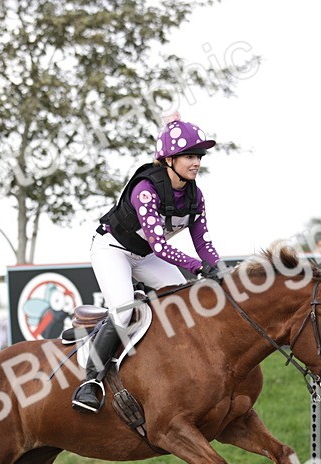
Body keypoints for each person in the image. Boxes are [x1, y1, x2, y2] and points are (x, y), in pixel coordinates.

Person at [71, 113, 223, 413]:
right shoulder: (145, 190)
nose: (196, 162)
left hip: (146, 255)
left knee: (182, 301)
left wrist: (219, 268)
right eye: (189, 156)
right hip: (112, 248)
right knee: (124, 308)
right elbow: (160, 245)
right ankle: (90, 382)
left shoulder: (196, 196)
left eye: (199, 156)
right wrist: (198, 268)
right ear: (168, 160)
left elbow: (202, 241)